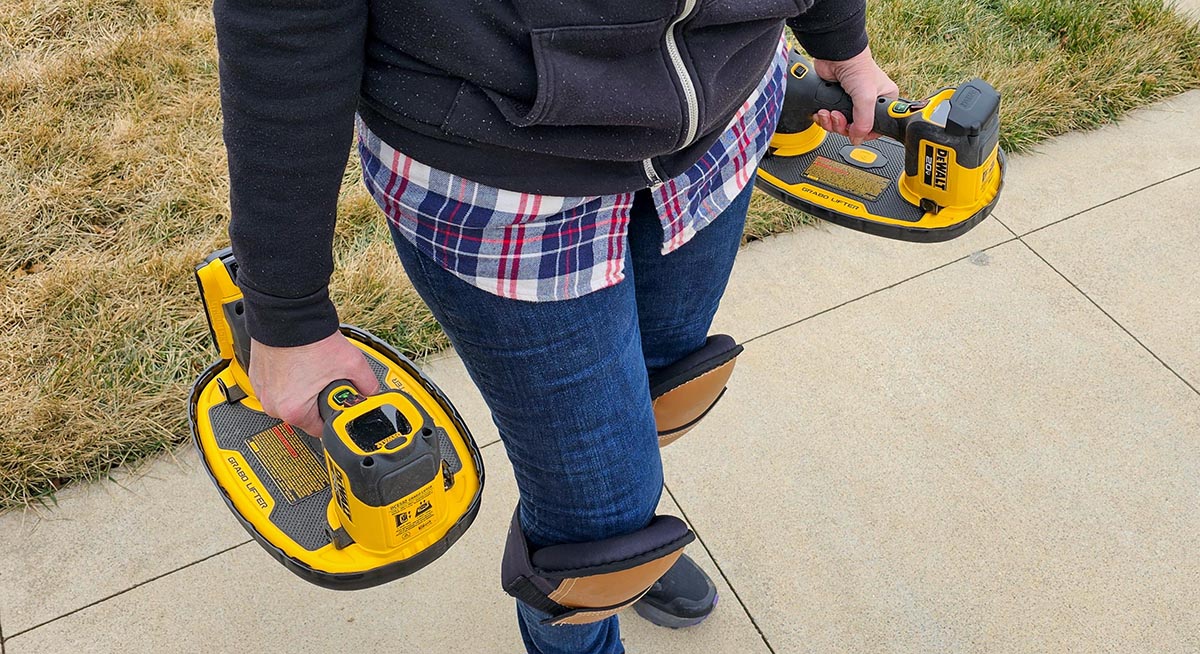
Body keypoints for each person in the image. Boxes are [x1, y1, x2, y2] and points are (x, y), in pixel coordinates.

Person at [213, 1, 897, 651]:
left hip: (721, 120)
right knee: (592, 532)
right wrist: (289, 312)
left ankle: (627, 542)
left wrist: (843, 42)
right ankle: (594, 597)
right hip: (503, 174)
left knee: (667, 384)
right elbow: (286, 20)